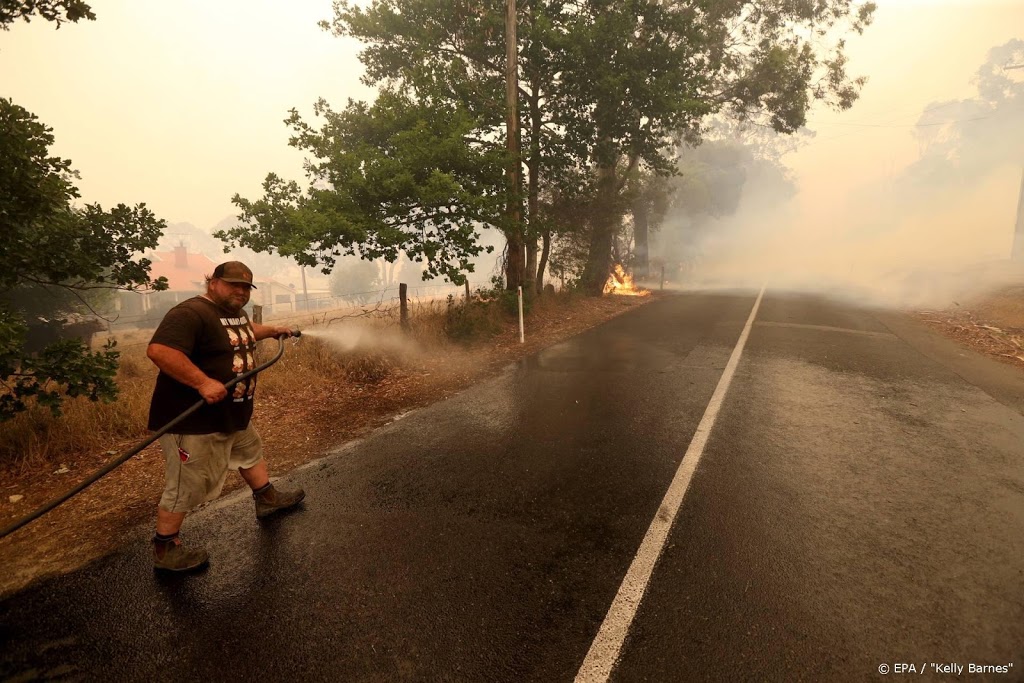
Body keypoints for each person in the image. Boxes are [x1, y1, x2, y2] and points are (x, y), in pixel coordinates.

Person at [145, 261, 305, 572]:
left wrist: (272, 330)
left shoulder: (234, 314)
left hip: (231, 412)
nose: (240, 292)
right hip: (193, 421)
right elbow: (160, 351)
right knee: (186, 483)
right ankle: (165, 548)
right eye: (233, 284)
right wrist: (202, 382)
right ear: (213, 282)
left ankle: (267, 498)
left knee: (249, 451)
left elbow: (241, 333)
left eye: (246, 287)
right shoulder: (190, 313)